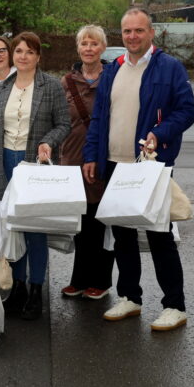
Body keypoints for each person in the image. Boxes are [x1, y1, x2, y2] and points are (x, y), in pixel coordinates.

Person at [83, 8, 194, 331]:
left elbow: (187, 111)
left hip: (149, 165)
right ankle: (130, 297)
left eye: (138, 30)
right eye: (127, 31)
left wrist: (159, 134)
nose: (132, 36)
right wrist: (91, 154)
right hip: (114, 164)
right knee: (122, 237)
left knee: (160, 236)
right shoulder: (113, 69)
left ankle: (174, 305)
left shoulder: (169, 67)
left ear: (151, 33)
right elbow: (99, 117)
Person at [0, 32, 71, 320]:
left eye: (30, 52)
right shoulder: (2, 88)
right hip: (5, 161)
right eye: (19, 51)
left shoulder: (51, 86)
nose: (23, 56)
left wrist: (48, 142)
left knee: (35, 229)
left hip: (34, 164)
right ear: (12, 55)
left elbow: (64, 124)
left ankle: (35, 289)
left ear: (38, 57)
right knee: (13, 227)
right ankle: (17, 286)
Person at [59, 25, 115, 300]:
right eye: (84, 43)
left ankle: (101, 281)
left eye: (94, 43)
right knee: (80, 221)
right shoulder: (67, 82)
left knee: (102, 219)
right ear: (78, 48)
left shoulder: (113, 78)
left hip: (104, 157)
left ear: (103, 47)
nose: (89, 48)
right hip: (72, 157)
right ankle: (79, 278)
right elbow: (59, 119)